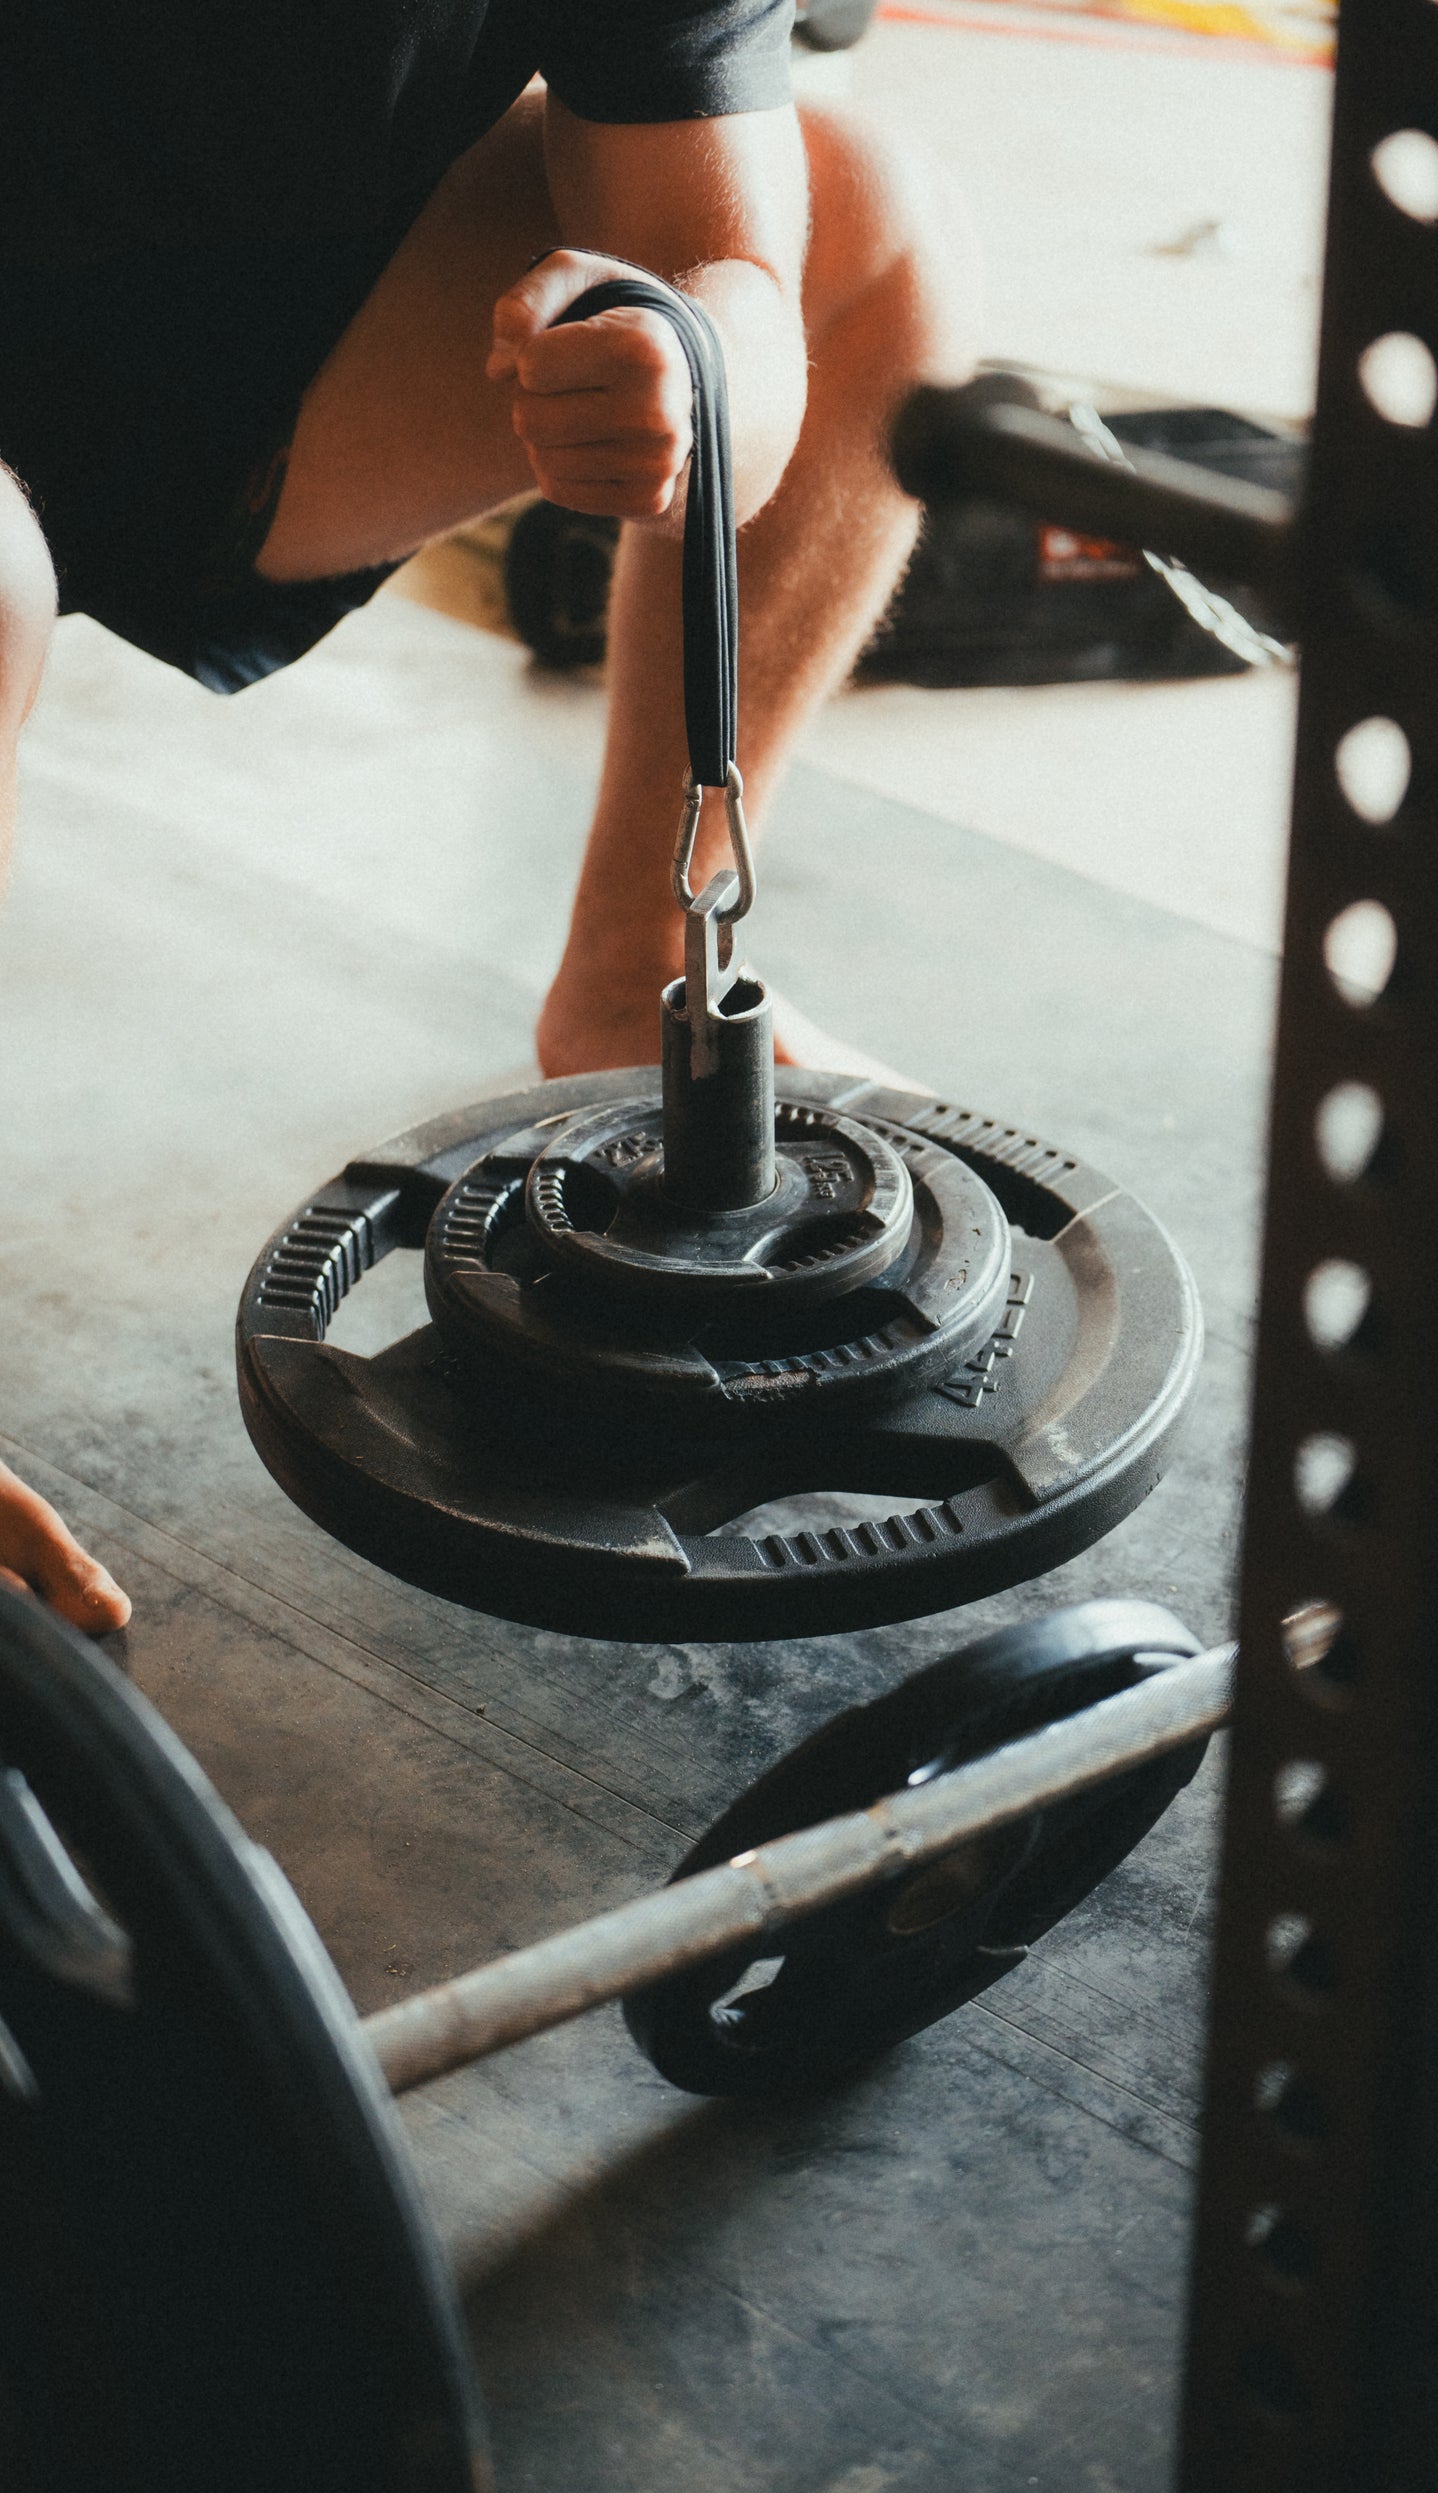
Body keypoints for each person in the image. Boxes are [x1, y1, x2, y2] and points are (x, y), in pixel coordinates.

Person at [0, 2, 979, 1632]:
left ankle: (637, 986)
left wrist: (684, 366)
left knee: (866, 215)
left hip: (231, 370)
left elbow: (730, 274)